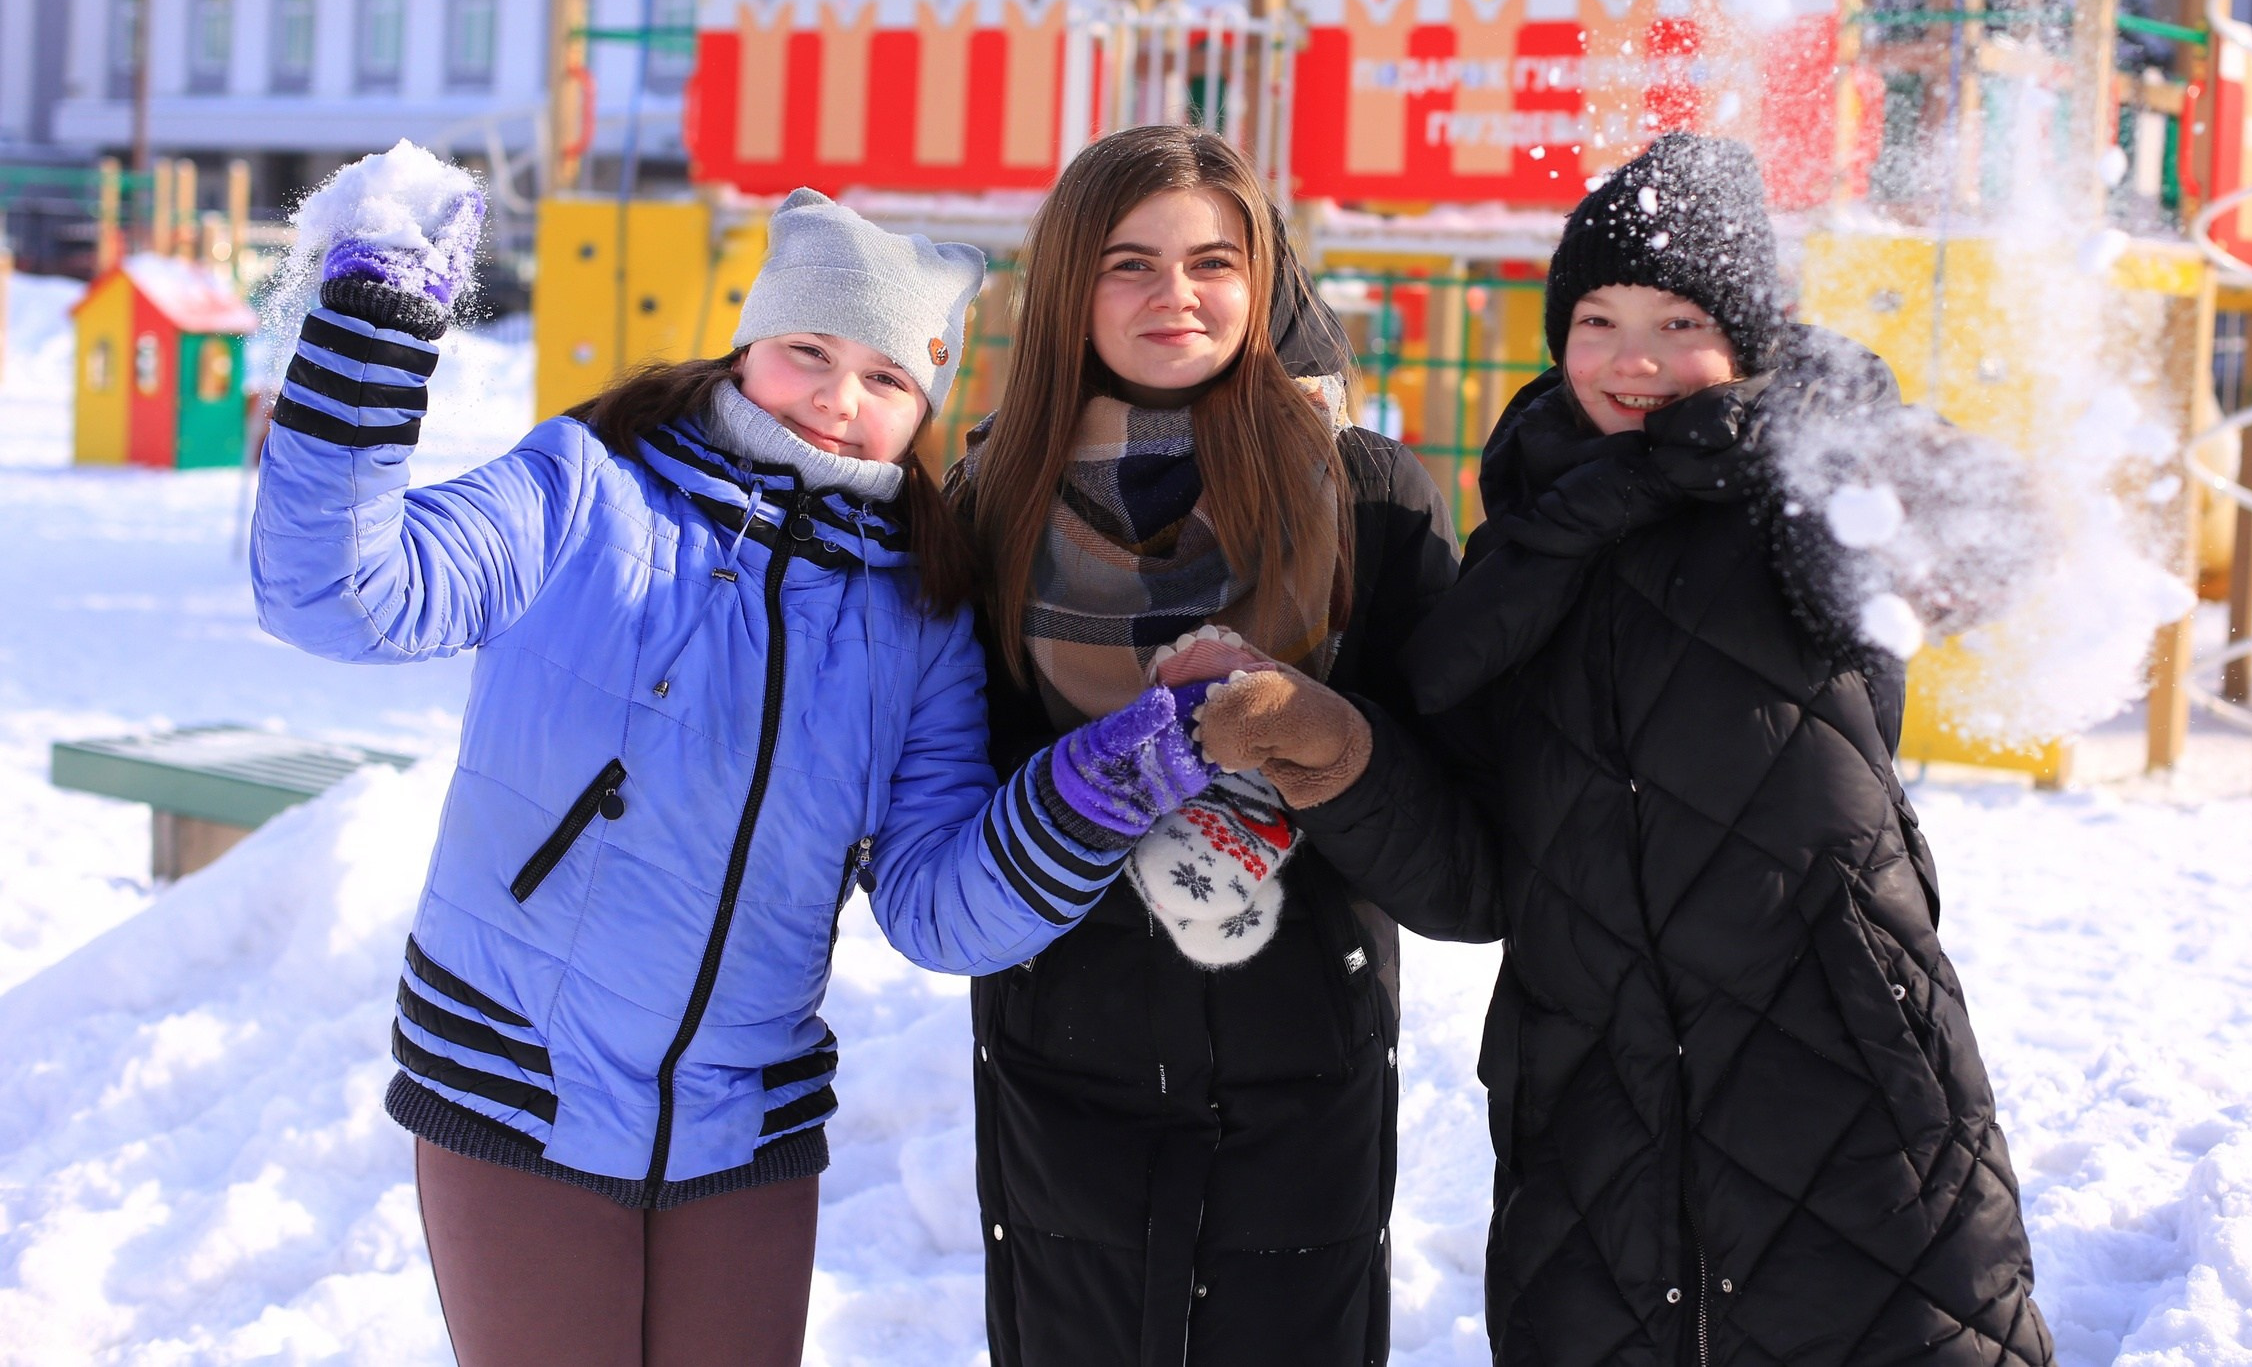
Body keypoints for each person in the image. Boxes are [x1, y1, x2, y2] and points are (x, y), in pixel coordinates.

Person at [250, 147, 1219, 1367]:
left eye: (883, 375)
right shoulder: (584, 490)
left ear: (923, 404)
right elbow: (338, 594)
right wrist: (376, 337)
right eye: (810, 350)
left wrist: (1106, 783)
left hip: (742, 1123)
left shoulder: (916, 616)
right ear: (750, 340)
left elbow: (938, 912)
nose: (837, 397)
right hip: (521, 1080)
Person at [1197, 134, 2059, 1366]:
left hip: (1837, 1072)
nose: (1633, 359)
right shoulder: (1521, 553)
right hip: (1595, 1098)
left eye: (1677, 321)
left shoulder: (1800, 499)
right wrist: (1330, 754)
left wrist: (1843, 442)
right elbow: (1480, 873)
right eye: (1595, 320)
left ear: (1751, 342)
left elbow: (1976, 548)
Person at [948, 125, 1460, 1367]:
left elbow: (1450, 839)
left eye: (1212, 262)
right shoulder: (985, 503)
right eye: (1129, 263)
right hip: (1059, 1055)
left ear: (1263, 278)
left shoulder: (1366, 496)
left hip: (1306, 1053)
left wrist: (1322, 743)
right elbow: (944, 806)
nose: (1175, 296)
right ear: (1069, 288)